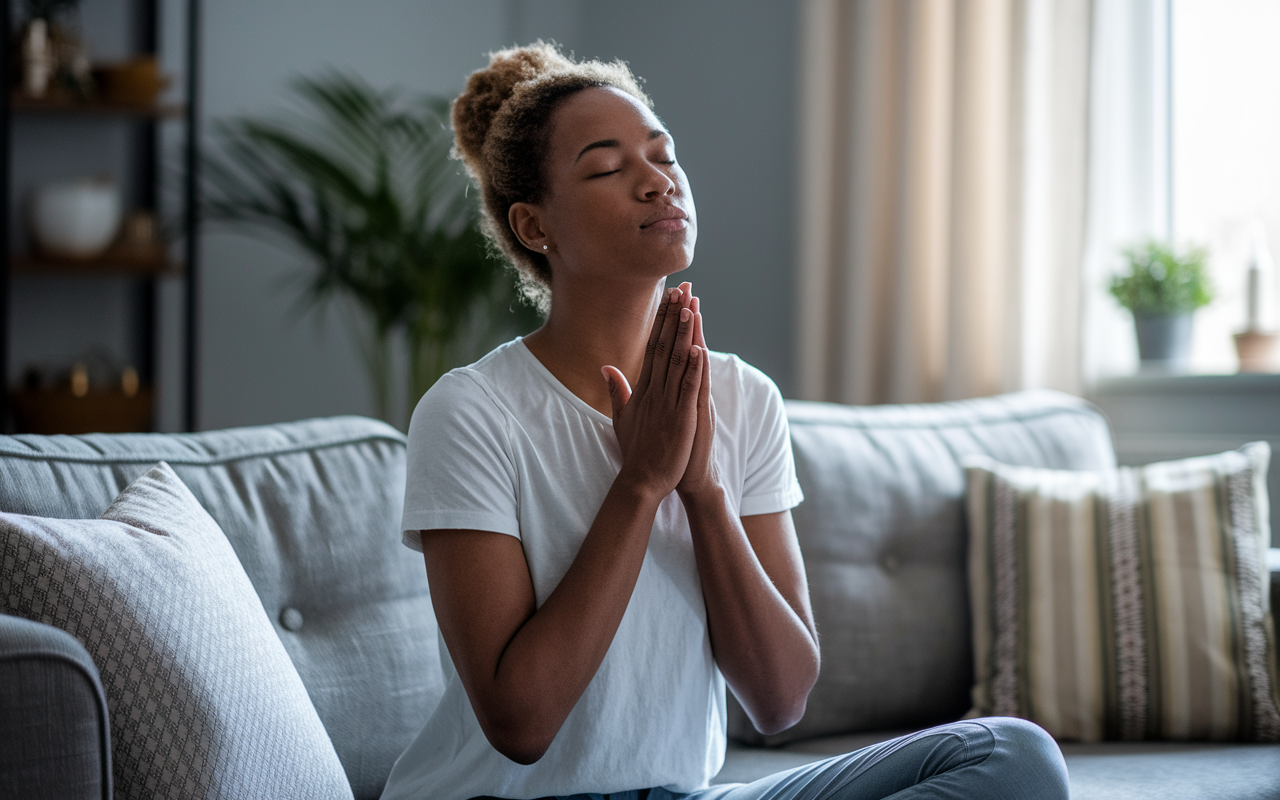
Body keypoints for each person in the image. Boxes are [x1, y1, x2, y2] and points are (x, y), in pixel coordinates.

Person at [380, 43, 1069, 800]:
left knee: (1012, 756)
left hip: (684, 797)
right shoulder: (471, 411)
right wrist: (641, 484)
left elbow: (779, 700)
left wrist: (704, 490)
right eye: (609, 168)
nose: (657, 182)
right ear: (534, 225)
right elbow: (521, 723)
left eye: (664, 156)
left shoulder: (744, 398)